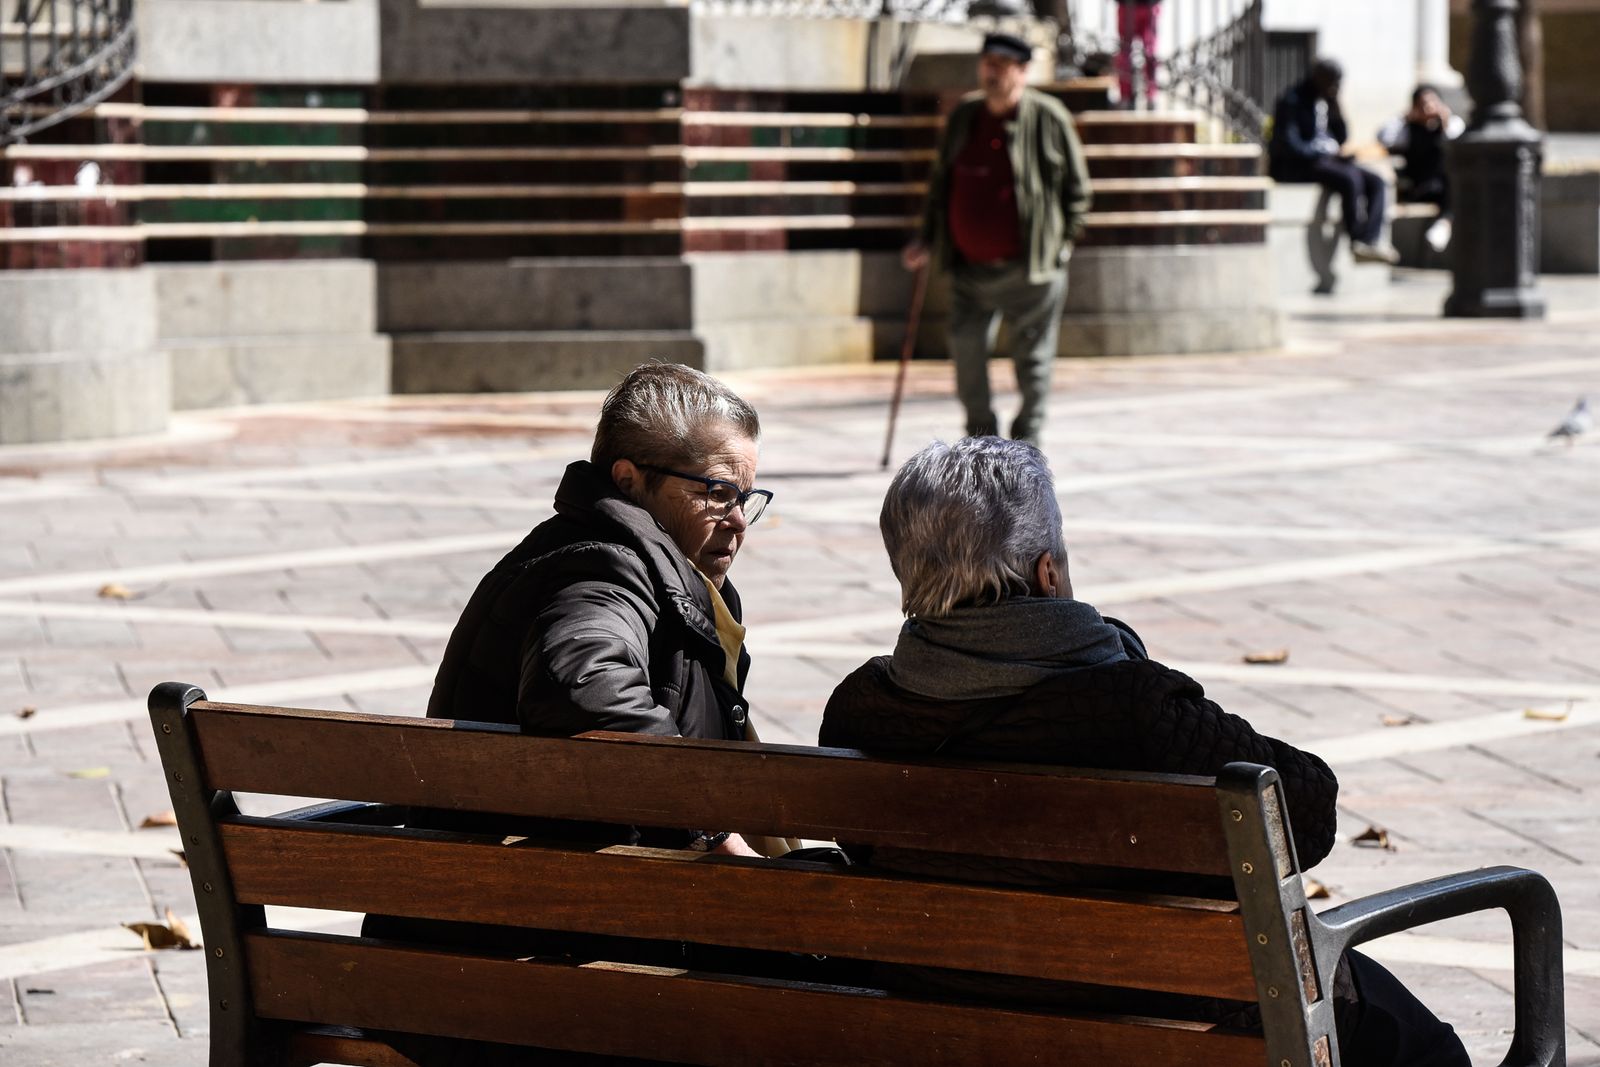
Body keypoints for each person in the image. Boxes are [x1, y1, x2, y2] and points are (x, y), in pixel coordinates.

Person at [820, 436, 1472, 1066]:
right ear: (1048, 572)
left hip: (937, 1016)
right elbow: (1304, 811)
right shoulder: (1132, 712)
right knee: (1407, 1035)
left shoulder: (859, 711)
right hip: (1147, 1026)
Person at [424, 361, 780, 856]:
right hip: (568, 915)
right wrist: (707, 828)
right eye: (716, 493)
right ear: (629, 479)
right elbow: (582, 685)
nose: (738, 520)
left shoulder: (639, 563)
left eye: (745, 497)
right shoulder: (600, 570)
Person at [902, 32, 1092, 446]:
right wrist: (926, 237)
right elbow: (941, 185)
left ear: (1023, 71)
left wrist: (1059, 246)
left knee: (1033, 362)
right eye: (988, 62)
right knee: (967, 355)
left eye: (1003, 65)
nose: (992, 72)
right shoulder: (965, 115)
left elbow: (1078, 191)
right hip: (970, 270)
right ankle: (981, 441)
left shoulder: (1048, 116)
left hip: (1031, 271)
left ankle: (1027, 446)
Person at [1269, 57, 1401, 265]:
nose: (1335, 86)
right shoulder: (1292, 100)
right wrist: (1322, 154)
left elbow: (1342, 137)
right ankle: (1357, 239)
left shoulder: (1327, 101)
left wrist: (1336, 107)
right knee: (1351, 178)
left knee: (1376, 181)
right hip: (1300, 165)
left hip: (1328, 160)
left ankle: (1371, 240)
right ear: (1318, 77)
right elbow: (1289, 144)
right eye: (1332, 81)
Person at [1379, 84, 1464, 253]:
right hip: (1421, 185)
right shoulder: (1407, 129)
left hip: (1445, 184)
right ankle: (1444, 225)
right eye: (1423, 104)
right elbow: (1384, 137)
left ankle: (1444, 224)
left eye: (1433, 102)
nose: (1429, 108)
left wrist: (1445, 121)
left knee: (1457, 186)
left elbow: (1459, 141)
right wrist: (1405, 118)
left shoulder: (1450, 124)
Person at [1115, 0, 1162, 107]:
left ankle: (1150, 96)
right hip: (1128, 6)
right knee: (1125, 53)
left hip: (1148, 6)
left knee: (1150, 54)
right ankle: (1126, 96)